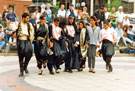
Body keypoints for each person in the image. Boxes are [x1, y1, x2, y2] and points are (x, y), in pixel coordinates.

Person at [16, 13, 34, 77]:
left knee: (29, 54)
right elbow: (12, 27)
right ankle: (21, 71)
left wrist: (31, 40)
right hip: (20, 40)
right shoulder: (18, 24)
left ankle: (25, 66)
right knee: (21, 56)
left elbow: (32, 32)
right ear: (23, 18)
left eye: (28, 18)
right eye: (27, 18)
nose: (28, 19)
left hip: (27, 40)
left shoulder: (29, 24)